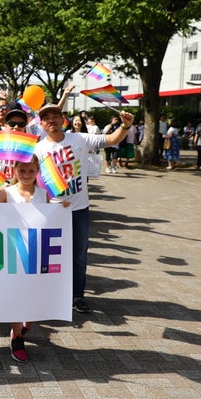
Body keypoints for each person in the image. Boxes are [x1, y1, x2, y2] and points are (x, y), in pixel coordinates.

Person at [35, 103, 134, 314]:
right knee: (50, 257)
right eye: (46, 118)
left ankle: (77, 295)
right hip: (51, 211)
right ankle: (50, 296)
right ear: (41, 124)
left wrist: (125, 127)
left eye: (55, 116)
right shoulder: (38, 148)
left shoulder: (78, 139)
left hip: (79, 209)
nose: (51, 120)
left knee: (79, 254)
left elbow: (110, 140)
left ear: (63, 119)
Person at [0, 155, 70, 363]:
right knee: (16, 295)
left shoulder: (44, 194)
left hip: (36, 252)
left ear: (37, 172)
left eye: (31, 171)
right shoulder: (6, 192)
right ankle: (17, 337)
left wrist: (62, 209)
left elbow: (50, 220)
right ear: (14, 170)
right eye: (22, 171)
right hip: (12, 252)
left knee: (33, 295)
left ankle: (24, 324)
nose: (26, 175)